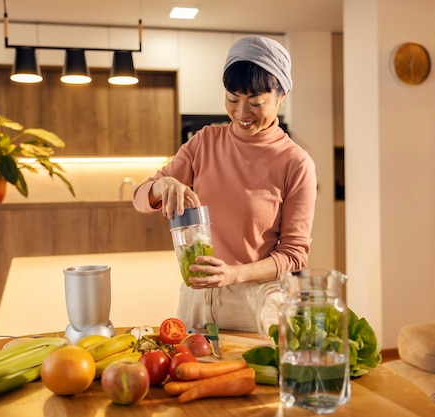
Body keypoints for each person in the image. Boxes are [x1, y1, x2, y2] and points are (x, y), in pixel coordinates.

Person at [132, 35, 317, 332]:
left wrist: (233, 274)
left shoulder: (296, 163)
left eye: (256, 102)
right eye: (233, 99)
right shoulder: (204, 142)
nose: (242, 113)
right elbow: (140, 198)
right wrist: (162, 185)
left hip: (257, 302)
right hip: (196, 298)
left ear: (281, 96)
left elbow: (294, 255)